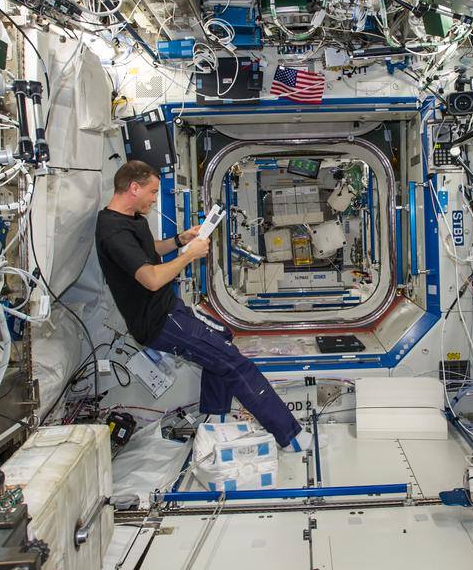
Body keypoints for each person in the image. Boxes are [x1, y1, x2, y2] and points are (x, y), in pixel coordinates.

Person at [95, 160, 312, 452]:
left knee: (223, 338)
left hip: (169, 308)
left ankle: (215, 416)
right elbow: (150, 279)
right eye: (152, 191)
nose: (155, 198)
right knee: (236, 364)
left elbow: (147, 250)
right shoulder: (113, 231)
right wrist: (189, 255)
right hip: (158, 322)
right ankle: (289, 436)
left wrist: (178, 240)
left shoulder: (131, 218)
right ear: (134, 188)